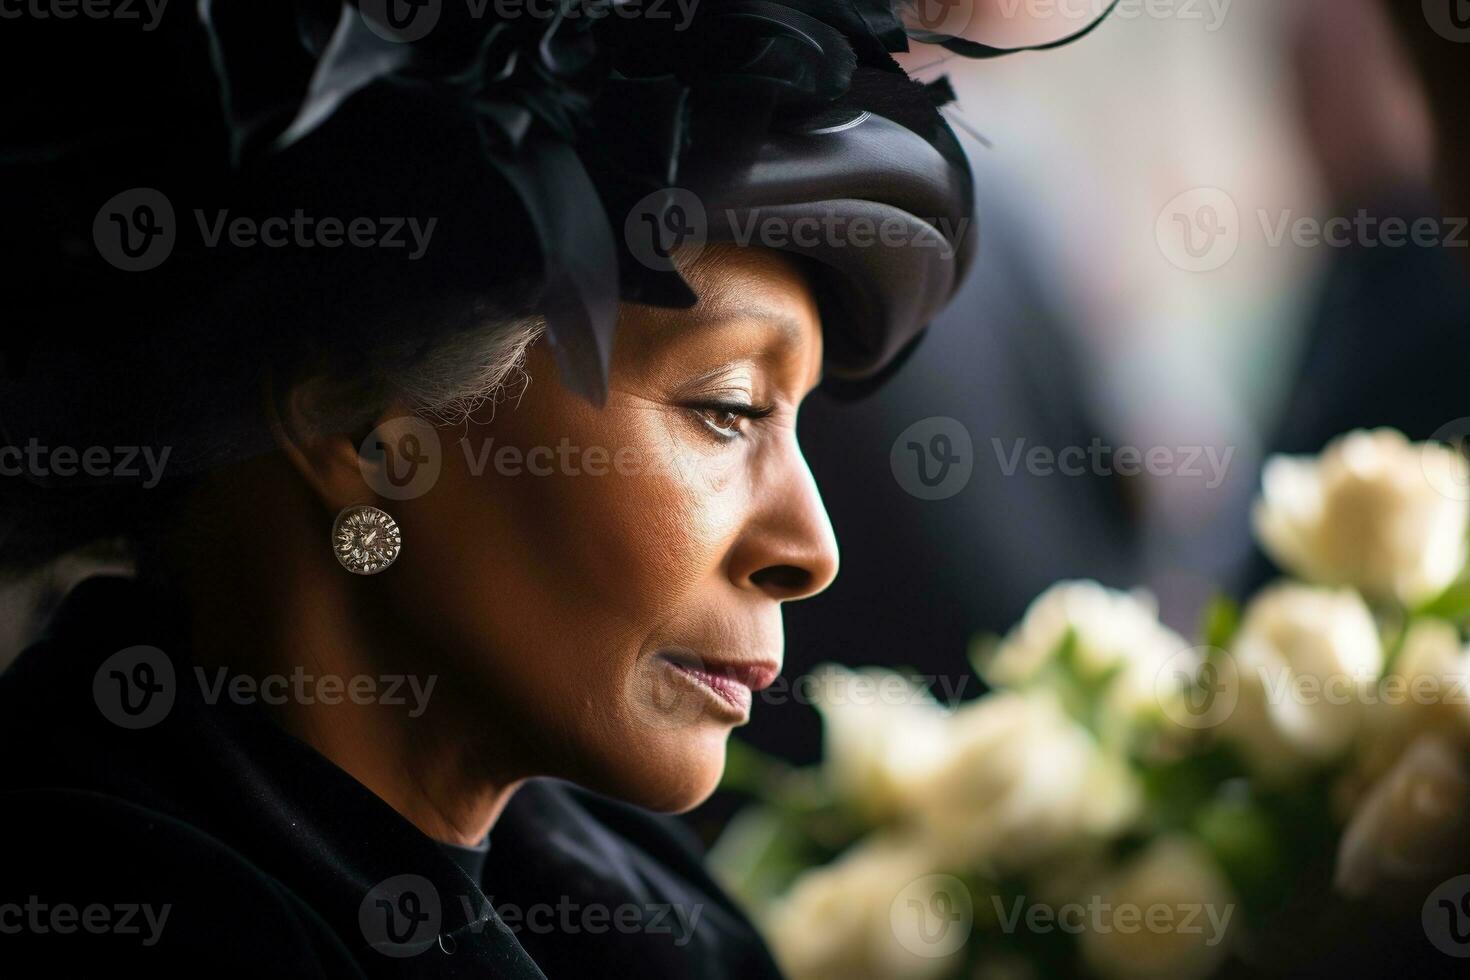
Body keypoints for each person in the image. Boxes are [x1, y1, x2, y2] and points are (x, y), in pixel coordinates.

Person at [0, 0, 1109, 974]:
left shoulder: (647, 917)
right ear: (359, 422)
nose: (810, 544)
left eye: (798, 422)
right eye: (727, 409)